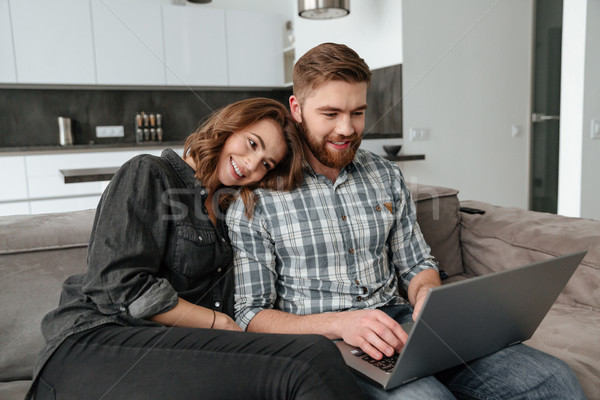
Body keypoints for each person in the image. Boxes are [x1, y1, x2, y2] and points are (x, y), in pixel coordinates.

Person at [227, 43, 586, 399]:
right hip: (328, 342)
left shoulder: (385, 175)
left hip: (405, 323)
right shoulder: (256, 195)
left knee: (555, 379)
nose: (347, 129)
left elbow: (416, 263)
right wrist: (341, 322)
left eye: (357, 112)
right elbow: (251, 312)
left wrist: (427, 292)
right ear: (297, 108)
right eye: (331, 113)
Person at [27, 97, 364, 400]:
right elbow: (118, 287)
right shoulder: (150, 173)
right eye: (252, 143)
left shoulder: (232, 213)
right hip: (93, 344)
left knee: (311, 358)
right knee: (310, 359)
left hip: (169, 350)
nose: (251, 164)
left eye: (266, 164)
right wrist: (221, 323)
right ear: (230, 126)